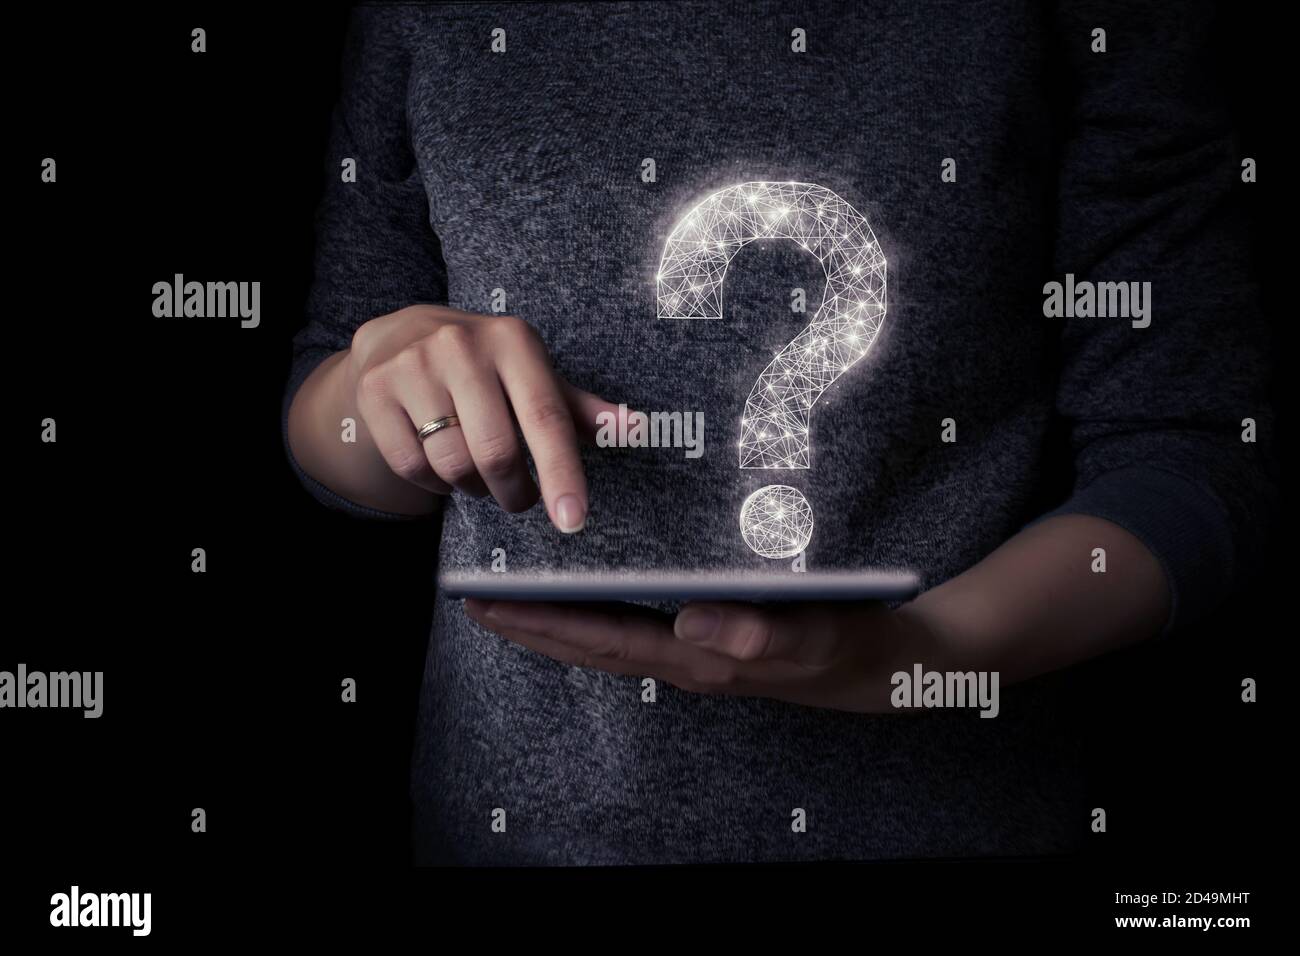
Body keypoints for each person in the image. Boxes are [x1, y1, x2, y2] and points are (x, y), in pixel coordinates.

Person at [283, 1, 1272, 864]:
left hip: (964, 827)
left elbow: (1192, 448)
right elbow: (325, 422)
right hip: (505, 831)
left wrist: (918, 658)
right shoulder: (426, 18)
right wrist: (384, 394)